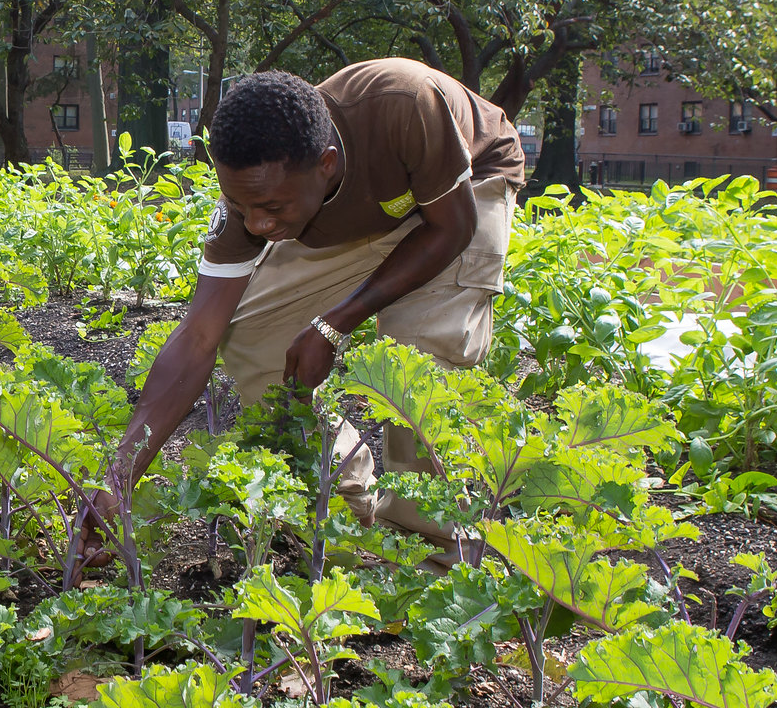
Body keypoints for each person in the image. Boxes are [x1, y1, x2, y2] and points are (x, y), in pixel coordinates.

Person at [100, 59, 524, 544]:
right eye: (242, 207)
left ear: (325, 164)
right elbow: (199, 336)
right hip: (356, 209)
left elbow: (452, 229)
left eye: (271, 209)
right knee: (252, 338)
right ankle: (345, 508)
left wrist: (334, 323)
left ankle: (437, 548)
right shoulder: (257, 194)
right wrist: (118, 479)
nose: (257, 225)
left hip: (464, 189)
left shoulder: (402, 104)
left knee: (418, 358)